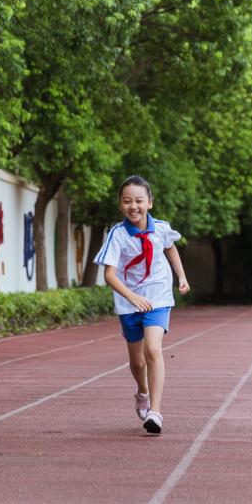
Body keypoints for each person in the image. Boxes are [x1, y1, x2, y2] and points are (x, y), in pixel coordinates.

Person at [95, 175, 190, 434]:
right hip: (129, 303)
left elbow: (170, 247)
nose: (133, 206)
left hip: (158, 297)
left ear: (150, 202)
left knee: (153, 350)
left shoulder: (160, 228)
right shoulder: (117, 234)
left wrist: (181, 276)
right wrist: (132, 297)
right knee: (137, 363)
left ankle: (155, 412)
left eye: (139, 200)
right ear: (120, 205)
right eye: (127, 201)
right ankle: (143, 392)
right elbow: (109, 275)